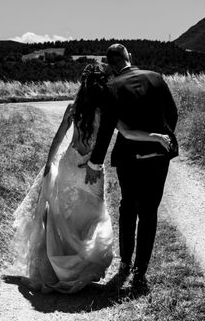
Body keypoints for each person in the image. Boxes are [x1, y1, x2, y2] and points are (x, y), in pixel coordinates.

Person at [11, 63, 173, 293]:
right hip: (92, 170)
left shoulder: (73, 108)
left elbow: (58, 140)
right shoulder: (107, 112)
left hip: (69, 166)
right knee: (92, 217)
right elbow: (128, 133)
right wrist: (155, 136)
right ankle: (81, 270)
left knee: (68, 218)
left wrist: (49, 164)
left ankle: (65, 267)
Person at [82, 44, 178, 291]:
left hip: (129, 157)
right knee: (150, 211)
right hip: (158, 156)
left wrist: (95, 161)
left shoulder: (111, 87)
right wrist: (162, 139)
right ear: (129, 58)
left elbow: (106, 129)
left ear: (110, 64)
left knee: (128, 206)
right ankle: (140, 272)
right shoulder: (155, 78)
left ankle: (125, 262)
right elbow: (172, 113)